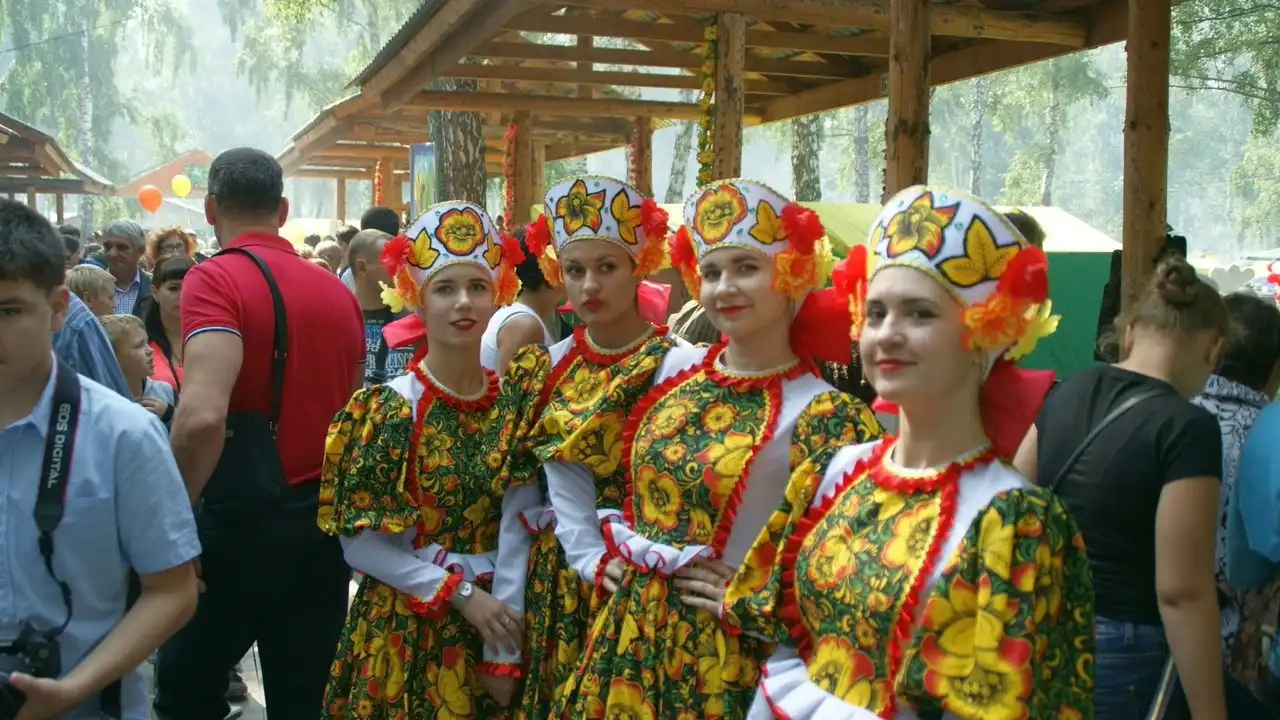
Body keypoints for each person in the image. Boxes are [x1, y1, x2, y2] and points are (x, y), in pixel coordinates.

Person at [742, 185, 1091, 718]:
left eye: (920, 314)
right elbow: (779, 642)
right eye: (876, 312)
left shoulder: (1016, 521)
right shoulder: (833, 473)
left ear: (984, 333)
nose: (887, 334)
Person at [544, 179, 883, 717]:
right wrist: (589, 552)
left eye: (746, 268)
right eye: (711, 272)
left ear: (790, 273)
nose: (725, 288)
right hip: (628, 640)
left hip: (725, 659)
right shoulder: (665, 369)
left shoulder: (827, 415)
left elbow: (847, 568)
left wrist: (756, 596)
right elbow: (566, 450)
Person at [153, 147, 365, 720]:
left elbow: (201, 417)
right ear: (283, 209)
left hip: (242, 520)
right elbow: (353, 410)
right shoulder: (337, 291)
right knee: (305, 699)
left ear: (210, 208)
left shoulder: (214, 278)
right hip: (321, 527)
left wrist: (169, 523)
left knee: (185, 691)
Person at [319, 200, 549, 717]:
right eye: (445, 289)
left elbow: (518, 525)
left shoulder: (514, 406)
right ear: (417, 299)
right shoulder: (390, 408)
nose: (463, 302)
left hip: (498, 622)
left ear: (498, 294)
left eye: (477, 287)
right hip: (406, 628)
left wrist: (503, 650)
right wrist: (461, 594)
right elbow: (360, 545)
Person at [0, 199, 199, 719]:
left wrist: (73, 688)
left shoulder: (122, 434)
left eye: (9, 311)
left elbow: (173, 590)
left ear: (58, 308)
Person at [1016, 254, 1230, 719]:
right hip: (1125, 648)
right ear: (1214, 348)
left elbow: (1017, 500)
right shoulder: (1188, 427)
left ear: (1129, 333)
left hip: (1046, 623)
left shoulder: (1065, 391)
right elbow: (1181, 591)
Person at [513, 175, 681, 717]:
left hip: (653, 577)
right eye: (575, 270)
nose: (589, 286)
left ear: (639, 266)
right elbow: (543, 485)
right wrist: (587, 557)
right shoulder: (547, 367)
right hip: (566, 576)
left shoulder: (682, 365)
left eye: (607, 267)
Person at [480, 226, 563, 374]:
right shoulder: (524, 326)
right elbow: (509, 388)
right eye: (574, 269)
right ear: (550, 270)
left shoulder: (531, 316)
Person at [347, 228, 415, 386]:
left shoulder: (414, 321)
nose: (401, 268)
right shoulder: (338, 320)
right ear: (362, 268)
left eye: (402, 261)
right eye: (391, 261)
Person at [100, 313, 176, 425]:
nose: (150, 350)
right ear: (112, 357)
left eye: (147, 342)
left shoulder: (165, 390)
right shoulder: (102, 400)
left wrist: (170, 414)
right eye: (139, 346)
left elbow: (189, 431)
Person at [143, 256, 194, 392]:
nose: (182, 295)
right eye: (173, 288)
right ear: (155, 293)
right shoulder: (140, 342)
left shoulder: (213, 337)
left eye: (189, 286)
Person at [100, 219, 151, 316]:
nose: (112, 253)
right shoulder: (92, 286)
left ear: (140, 251)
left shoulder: (154, 287)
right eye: (108, 246)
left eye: (122, 247)